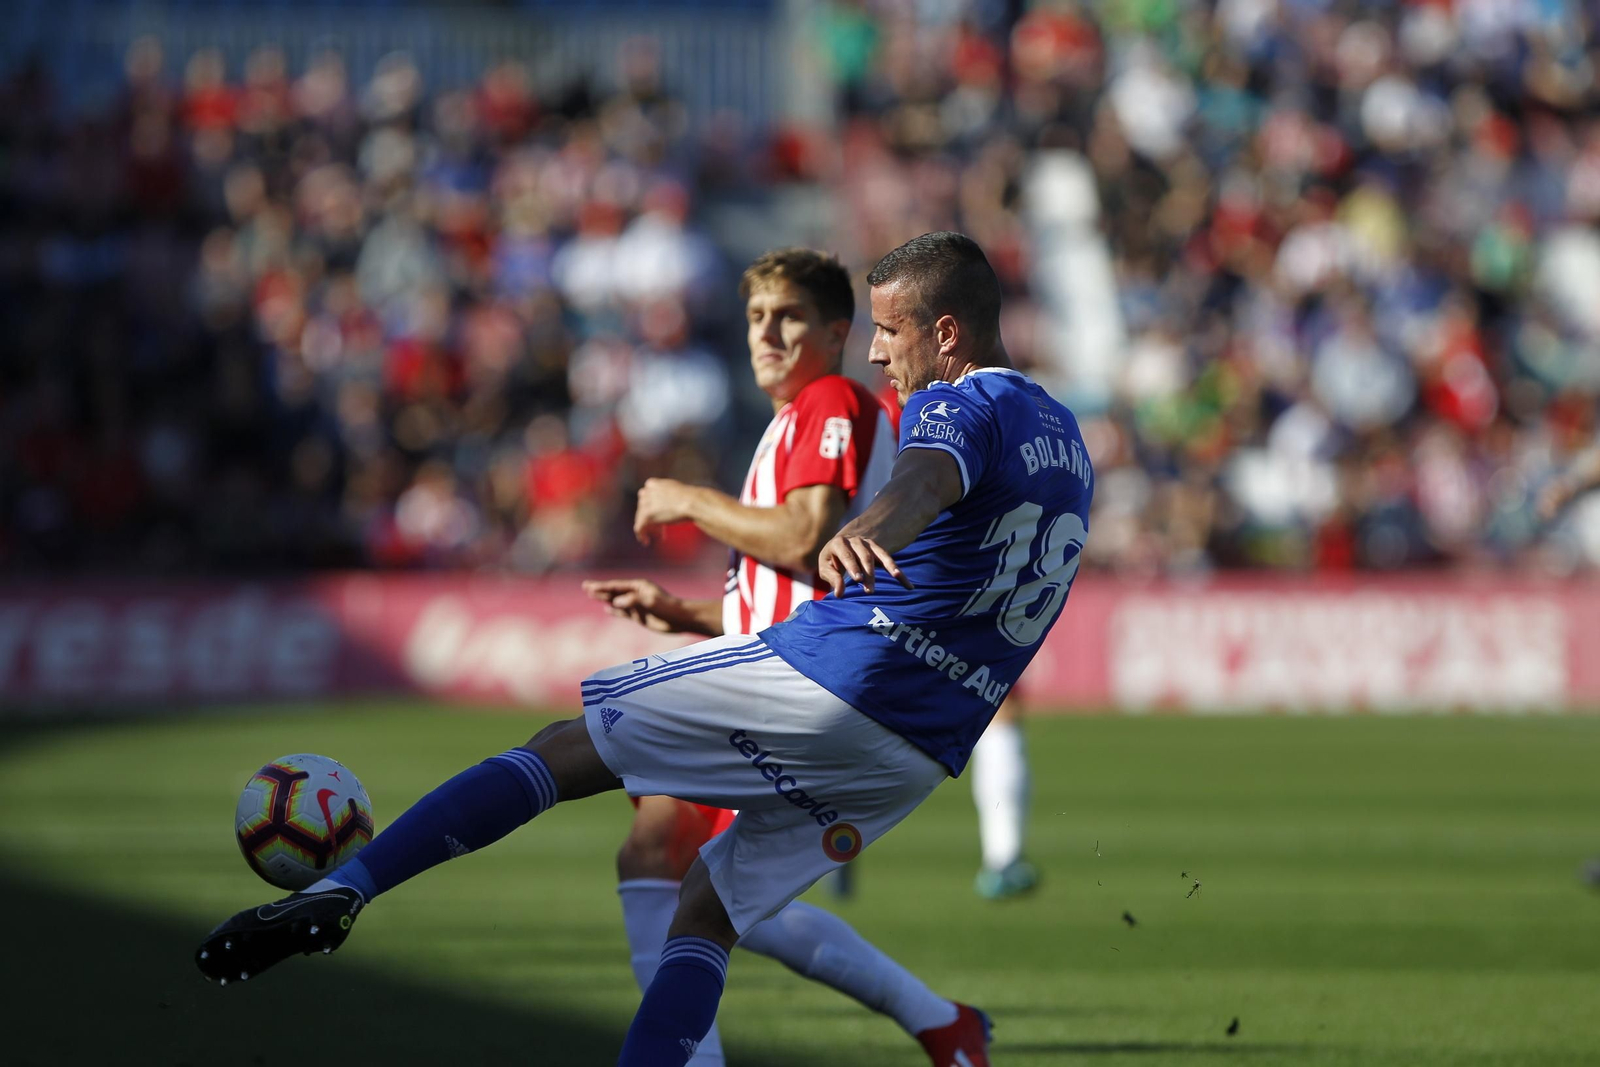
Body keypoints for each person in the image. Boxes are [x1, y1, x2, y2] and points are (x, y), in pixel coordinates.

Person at [194, 232, 1094, 1067]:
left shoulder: (956, 402)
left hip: (837, 675)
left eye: (889, 331)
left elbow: (925, 478)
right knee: (705, 903)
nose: (876, 352)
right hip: (915, 751)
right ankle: (935, 1023)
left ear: (945, 330)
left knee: (562, 747)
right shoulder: (1070, 446)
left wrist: (872, 524)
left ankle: (342, 890)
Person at [581, 247, 987, 1065]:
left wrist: (689, 498)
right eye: (756, 317)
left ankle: (935, 1022)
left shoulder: (830, 399)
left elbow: (808, 544)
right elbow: (798, 585)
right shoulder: (798, 418)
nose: (766, 333)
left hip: (798, 696)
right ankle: (943, 1025)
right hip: (781, 672)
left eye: (788, 316)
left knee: (696, 876)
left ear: (837, 332)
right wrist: (694, 612)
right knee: (688, 869)